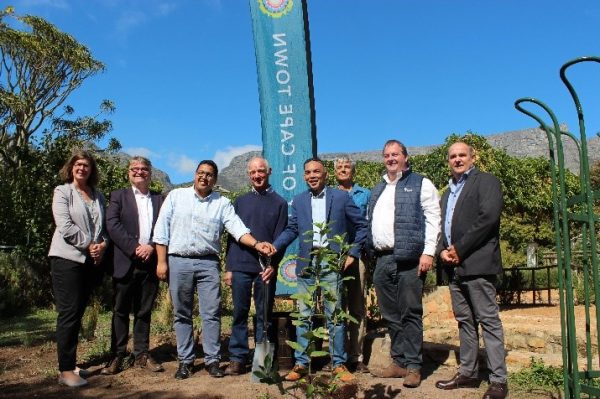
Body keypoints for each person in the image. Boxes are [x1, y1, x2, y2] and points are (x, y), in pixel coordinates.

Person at [153, 160, 273, 380]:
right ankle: (186, 361)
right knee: (182, 313)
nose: (204, 177)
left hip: (208, 262)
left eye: (209, 175)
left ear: (215, 179)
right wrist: (162, 261)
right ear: (195, 174)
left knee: (211, 313)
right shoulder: (176, 196)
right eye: (201, 173)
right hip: (178, 260)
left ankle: (212, 360)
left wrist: (257, 244)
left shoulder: (222, 203)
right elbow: (161, 230)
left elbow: (237, 229)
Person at [272, 157, 368, 383]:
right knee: (304, 314)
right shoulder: (299, 200)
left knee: (334, 315)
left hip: (331, 261)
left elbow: (362, 225)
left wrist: (352, 253)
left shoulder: (341, 198)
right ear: (304, 176)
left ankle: (338, 364)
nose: (312, 175)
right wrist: (274, 246)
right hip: (307, 262)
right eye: (307, 172)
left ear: (325, 175)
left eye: (316, 171)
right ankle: (302, 364)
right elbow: (292, 228)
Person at [434, 142, 508, 399]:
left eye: (461, 155)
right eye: (452, 156)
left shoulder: (486, 181)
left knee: (488, 321)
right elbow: (443, 225)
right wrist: (442, 250)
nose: (457, 159)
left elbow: (488, 218)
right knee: (465, 321)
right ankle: (468, 373)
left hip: (477, 263)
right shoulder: (448, 192)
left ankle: (498, 380)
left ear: (472, 157)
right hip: (454, 267)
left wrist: (459, 249)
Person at [367, 139, 440, 388]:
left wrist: (428, 252)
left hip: (410, 259)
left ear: (405, 157)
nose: (391, 158)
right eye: (386, 155)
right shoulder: (379, 188)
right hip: (383, 259)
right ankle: (398, 362)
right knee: (390, 314)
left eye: (395, 154)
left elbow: (433, 218)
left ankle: (413, 366)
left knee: (411, 313)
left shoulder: (421, 183)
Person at [48, 149, 109, 387]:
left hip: (90, 262)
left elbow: (102, 228)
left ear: (92, 170)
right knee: (69, 314)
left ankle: (71, 364)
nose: (82, 168)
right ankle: (64, 371)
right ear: (71, 167)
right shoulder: (63, 192)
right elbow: (64, 225)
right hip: (67, 259)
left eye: (86, 165)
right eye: (78, 164)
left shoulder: (97, 195)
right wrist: (90, 244)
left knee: (78, 313)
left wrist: (102, 244)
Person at [223, 157, 288, 375]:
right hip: (240, 266)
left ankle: (263, 362)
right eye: (253, 172)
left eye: (261, 171)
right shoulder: (240, 201)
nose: (257, 175)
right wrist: (229, 268)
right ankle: (238, 357)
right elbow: (232, 237)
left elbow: (281, 239)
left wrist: (274, 265)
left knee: (264, 315)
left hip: (265, 269)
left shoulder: (280, 203)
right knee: (239, 313)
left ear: (269, 171)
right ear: (248, 174)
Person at [102, 156, 165, 375]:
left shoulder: (160, 199)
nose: (139, 172)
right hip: (125, 262)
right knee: (120, 311)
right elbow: (112, 224)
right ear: (128, 172)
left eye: (143, 168)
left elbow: (165, 226)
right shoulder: (118, 196)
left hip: (150, 263)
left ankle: (141, 354)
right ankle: (117, 355)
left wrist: (150, 246)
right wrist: (135, 247)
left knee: (143, 311)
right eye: (134, 168)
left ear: (150, 172)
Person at [333, 155, 371, 373]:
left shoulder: (364, 194)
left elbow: (367, 225)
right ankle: (337, 356)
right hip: (335, 255)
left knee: (356, 306)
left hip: (357, 255)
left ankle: (357, 357)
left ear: (353, 171)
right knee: (335, 306)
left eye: (347, 166)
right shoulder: (329, 194)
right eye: (339, 167)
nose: (343, 169)